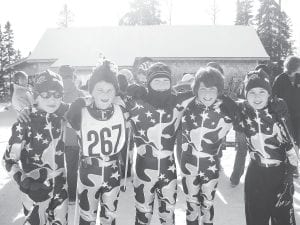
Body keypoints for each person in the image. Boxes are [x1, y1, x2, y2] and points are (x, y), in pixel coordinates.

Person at [122, 62, 193, 225]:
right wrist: (127, 90)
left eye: (165, 81)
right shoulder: (136, 103)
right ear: (149, 83)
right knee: (143, 214)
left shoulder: (178, 102)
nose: (161, 86)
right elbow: (111, 98)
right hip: (143, 168)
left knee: (168, 213)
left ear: (171, 83)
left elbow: (204, 91)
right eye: (156, 81)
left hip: (168, 169)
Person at [66, 60, 129, 225]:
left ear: (115, 91)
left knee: (109, 216)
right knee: (87, 217)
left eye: (110, 90)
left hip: (112, 172)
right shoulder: (81, 112)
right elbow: (58, 112)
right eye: (99, 90)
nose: (105, 94)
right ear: (91, 91)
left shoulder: (121, 111)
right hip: (88, 172)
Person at [2, 70, 69, 225]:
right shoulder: (24, 123)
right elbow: (8, 161)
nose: (52, 99)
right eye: (46, 94)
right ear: (36, 95)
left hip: (60, 188)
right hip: (34, 189)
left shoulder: (61, 115)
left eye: (57, 94)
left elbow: (89, 103)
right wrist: (25, 182)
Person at [237, 68, 298, 225]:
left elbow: (291, 145)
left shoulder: (277, 110)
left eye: (262, 91)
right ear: (245, 95)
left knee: (283, 219)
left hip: (279, 173)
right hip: (255, 174)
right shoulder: (242, 111)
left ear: (269, 94)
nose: (257, 96)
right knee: (255, 219)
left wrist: (290, 174)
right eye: (251, 92)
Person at [180, 67, 235, 225]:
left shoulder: (227, 110)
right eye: (202, 88)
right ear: (196, 90)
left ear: (219, 91)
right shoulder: (186, 107)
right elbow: (166, 100)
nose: (207, 93)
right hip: (188, 163)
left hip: (210, 164)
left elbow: (252, 112)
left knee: (208, 203)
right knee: (191, 203)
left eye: (212, 89)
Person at [59, 65, 86, 203]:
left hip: (71, 139)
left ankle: (72, 196)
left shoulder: (58, 96)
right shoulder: (80, 95)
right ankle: (77, 194)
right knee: (79, 168)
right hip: (77, 138)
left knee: (72, 168)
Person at [272, 56, 300, 177]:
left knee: (297, 142)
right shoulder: (280, 79)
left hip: (298, 115)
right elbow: (273, 97)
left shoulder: (299, 78)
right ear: (293, 66)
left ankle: (294, 167)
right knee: (287, 141)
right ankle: (286, 166)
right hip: (284, 116)